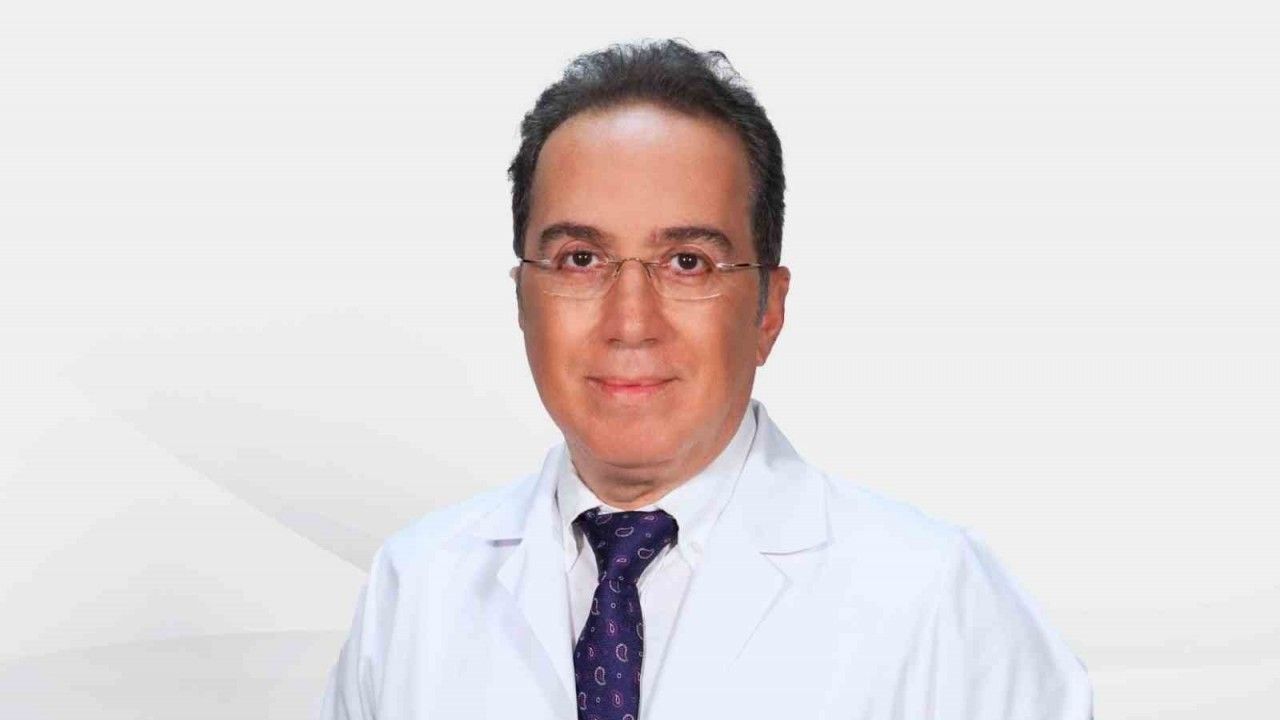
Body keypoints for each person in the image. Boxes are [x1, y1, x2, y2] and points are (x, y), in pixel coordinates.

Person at [318, 39, 1092, 720]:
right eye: (580, 260)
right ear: (523, 297)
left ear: (768, 310)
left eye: (687, 263)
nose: (630, 322)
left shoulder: (936, 597)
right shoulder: (416, 589)